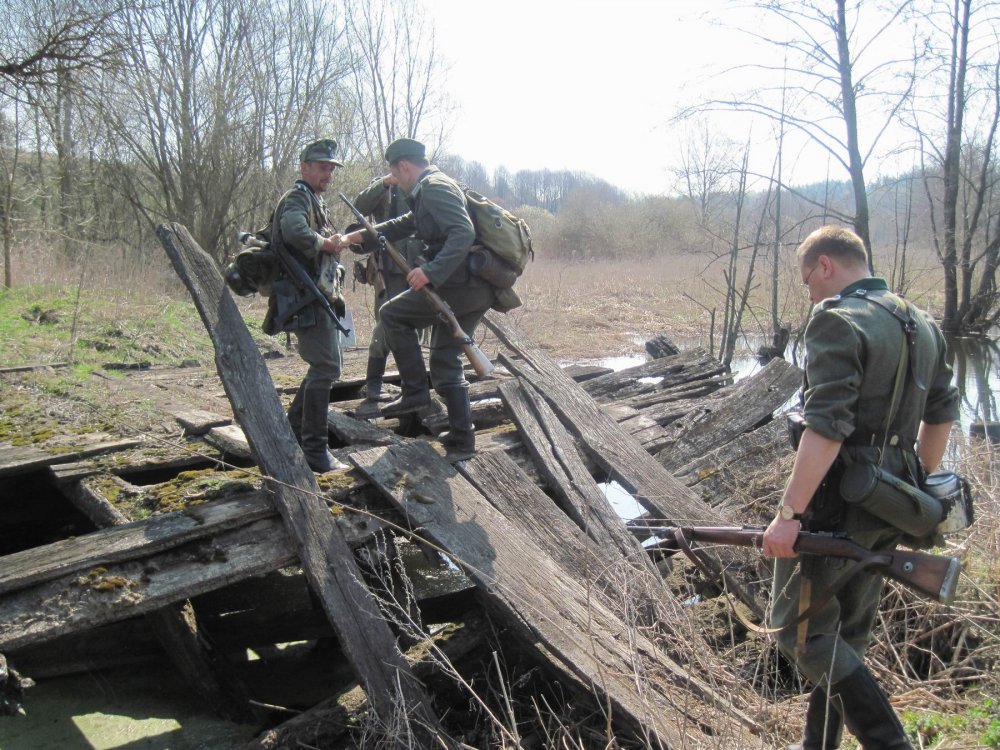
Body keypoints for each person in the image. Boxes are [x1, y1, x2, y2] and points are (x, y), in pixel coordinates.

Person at [762, 226, 959, 750]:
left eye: (808, 280)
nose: (809, 293)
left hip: (833, 505)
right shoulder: (923, 323)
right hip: (890, 501)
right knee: (846, 634)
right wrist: (910, 486)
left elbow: (827, 426)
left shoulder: (838, 319)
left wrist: (789, 514)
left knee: (800, 632)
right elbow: (942, 412)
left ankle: (889, 743)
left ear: (825, 265)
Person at [336, 138, 495, 453]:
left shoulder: (434, 188)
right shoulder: (429, 188)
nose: (396, 180)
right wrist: (357, 237)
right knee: (445, 360)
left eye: (396, 174)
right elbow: (405, 224)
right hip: (472, 286)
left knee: (391, 314)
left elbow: (463, 232)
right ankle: (463, 439)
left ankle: (415, 392)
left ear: (404, 167)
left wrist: (430, 272)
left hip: (463, 286)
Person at [263, 138, 349, 473]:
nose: (328, 174)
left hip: (315, 295)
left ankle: (293, 433)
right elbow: (293, 230)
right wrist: (325, 243)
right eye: (322, 167)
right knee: (326, 367)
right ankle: (314, 450)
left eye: (331, 168)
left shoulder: (314, 199)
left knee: (327, 366)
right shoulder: (299, 196)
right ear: (304, 167)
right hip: (304, 297)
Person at [351, 173, 427, 412]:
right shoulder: (384, 186)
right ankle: (374, 381)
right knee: (384, 325)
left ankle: (412, 387)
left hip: (420, 267)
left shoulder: (424, 186)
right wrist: (385, 183)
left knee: (415, 327)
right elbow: (359, 206)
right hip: (389, 270)